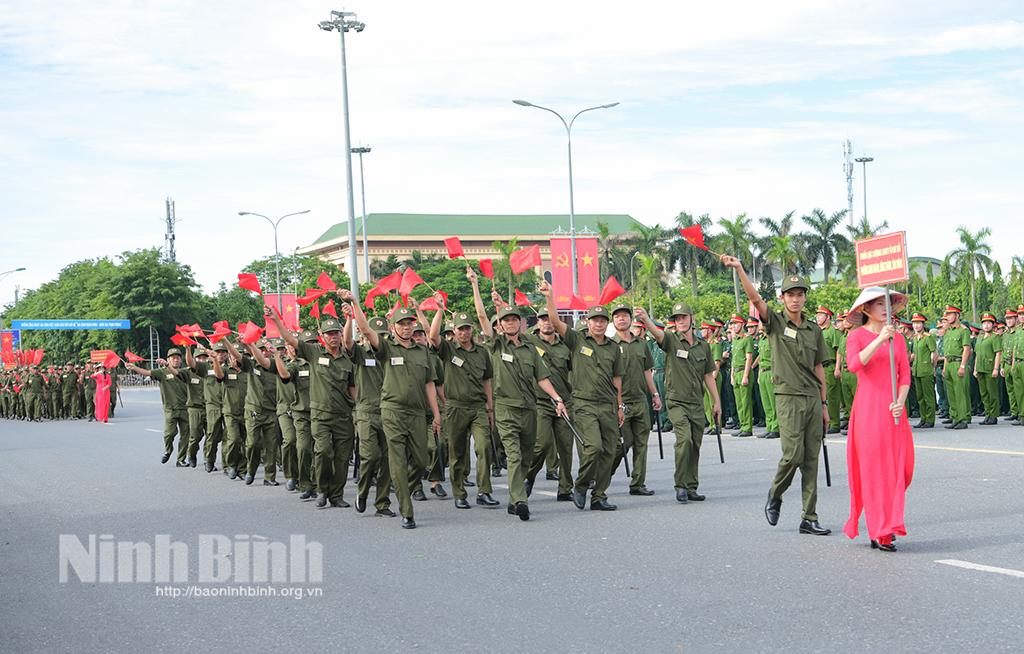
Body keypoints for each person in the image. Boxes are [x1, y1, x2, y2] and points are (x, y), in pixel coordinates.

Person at [722, 257, 833, 536]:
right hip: (787, 397)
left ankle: (809, 516)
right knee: (792, 455)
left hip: (811, 398)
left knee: (811, 459)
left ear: (805, 297)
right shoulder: (775, 323)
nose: (796, 299)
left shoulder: (814, 329)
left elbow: (819, 366)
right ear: (782, 298)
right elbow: (755, 298)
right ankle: (775, 493)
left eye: (800, 294)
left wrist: (824, 404)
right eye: (790, 295)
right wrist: (739, 269)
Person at [472, 270, 566, 520]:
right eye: (506, 320)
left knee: (528, 455)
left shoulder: (530, 348)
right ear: (500, 325)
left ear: (520, 323)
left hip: (529, 408)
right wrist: (475, 286)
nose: (511, 323)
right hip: (505, 409)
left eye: (515, 319)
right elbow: (481, 316)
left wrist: (557, 397)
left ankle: (515, 498)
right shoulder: (496, 344)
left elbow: (542, 378)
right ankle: (520, 500)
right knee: (514, 455)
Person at [342, 292, 440, 530]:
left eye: (409, 324)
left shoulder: (422, 351)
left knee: (421, 460)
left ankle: (403, 487)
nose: (406, 328)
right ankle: (407, 511)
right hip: (392, 410)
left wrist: (436, 413)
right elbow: (365, 331)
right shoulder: (386, 349)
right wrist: (355, 304)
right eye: (401, 324)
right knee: (390, 459)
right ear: (393, 327)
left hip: (417, 413)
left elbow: (429, 383)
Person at [538, 280, 623, 512]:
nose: (598, 324)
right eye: (594, 320)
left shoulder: (614, 348)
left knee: (610, 450)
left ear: (607, 324)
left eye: (602, 320)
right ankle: (581, 484)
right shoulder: (577, 340)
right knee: (593, 447)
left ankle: (599, 496)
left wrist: (620, 406)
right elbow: (555, 322)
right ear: (588, 322)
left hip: (607, 405)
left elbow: (617, 379)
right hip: (584, 404)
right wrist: (550, 296)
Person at [842, 287, 914, 552]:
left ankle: (887, 522)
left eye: (888, 303)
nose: (885, 308)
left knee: (900, 470)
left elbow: (904, 375)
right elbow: (854, 365)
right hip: (868, 410)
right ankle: (879, 529)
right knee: (873, 471)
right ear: (865, 309)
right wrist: (880, 339)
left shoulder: (900, 339)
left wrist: (901, 401)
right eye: (878, 303)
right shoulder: (857, 336)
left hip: (894, 410)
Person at [271, 309, 357, 509]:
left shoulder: (347, 360)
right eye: (329, 334)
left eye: (336, 333)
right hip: (320, 416)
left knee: (343, 457)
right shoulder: (314, 352)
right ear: (323, 337)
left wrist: (357, 407)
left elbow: (352, 387)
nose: (334, 337)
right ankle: (322, 489)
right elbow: (290, 340)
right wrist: (276, 321)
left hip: (344, 415)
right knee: (323, 452)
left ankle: (337, 494)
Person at [635, 304, 720, 503]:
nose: (681, 321)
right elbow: (658, 334)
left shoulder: (703, 345)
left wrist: (716, 401)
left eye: (684, 317)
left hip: (697, 402)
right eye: (677, 318)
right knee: (684, 440)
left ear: (692, 318)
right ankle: (680, 485)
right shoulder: (672, 340)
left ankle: (691, 486)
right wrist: (646, 319)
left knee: (695, 445)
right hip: (676, 401)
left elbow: (708, 375)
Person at [426, 301, 498, 509]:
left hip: (478, 407)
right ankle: (459, 492)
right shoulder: (449, 350)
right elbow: (432, 336)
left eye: (467, 328)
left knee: (484, 446)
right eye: (460, 329)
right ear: (454, 331)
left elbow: (487, 381)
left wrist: (490, 408)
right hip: (456, 406)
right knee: (457, 452)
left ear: (472, 329)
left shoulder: (482, 352)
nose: (464, 332)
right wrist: (439, 310)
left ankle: (484, 491)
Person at [609, 303, 661, 496]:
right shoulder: (610, 345)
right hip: (621, 402)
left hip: (640, 400)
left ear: (631, 320)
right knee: (623, 444)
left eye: (625, 316)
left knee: (641, 444)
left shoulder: (641, 344)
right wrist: (617, 403)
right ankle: (602, 475)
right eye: (617, 316)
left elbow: (647, 370)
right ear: (613, 322)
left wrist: (655, 394)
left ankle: (638, 483)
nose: (621, 319)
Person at [126, 348, 190, 466]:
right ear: (168, 360)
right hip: (170, 409)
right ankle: (168, 450)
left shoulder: (185, 372)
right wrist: (134, 368)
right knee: (169, 434)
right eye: (173, 358)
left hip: (185, 409)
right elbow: (147, 372)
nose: (175, 360)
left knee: (186, 435)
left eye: (178, 358)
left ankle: (181, 459)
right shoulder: (162, 372)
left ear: (181, 360)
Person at [940, 306, 972, 430]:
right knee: (951, 393)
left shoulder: (963, 331)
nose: (947, 316)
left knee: (960, 393)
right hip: (949, 364)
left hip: (958, 363)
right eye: (946, 314)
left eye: (950, 314)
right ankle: (955, 418)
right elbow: (947, 353)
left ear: (957, 315)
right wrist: (944, 368)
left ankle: (963, 419)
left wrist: (963, 366)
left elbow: (966, 349)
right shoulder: (948, 332)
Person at [910, 314, 937, 429]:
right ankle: (923, 418)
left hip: (926, 370)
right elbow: (914, 354)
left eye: (918, 323)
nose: (916, 325)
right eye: (914, 323)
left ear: (923, 324)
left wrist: (933, 368)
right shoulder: (915, 338)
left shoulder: (928, 337)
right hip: (917, 370)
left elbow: (934, 353)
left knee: (928, 396)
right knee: (920, 397)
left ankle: (930, 419)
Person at [974, 314, 1002, 425]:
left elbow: (998, 353)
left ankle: (993, 416)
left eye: (989, 323)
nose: (986, 325)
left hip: (990, 368)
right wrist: (975, 368)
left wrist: (996, 368)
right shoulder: (980, 338)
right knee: (984, 393)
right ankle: (987, 414)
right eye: (984, 323)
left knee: (992, 393)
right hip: (980, 368)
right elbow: (977, 354)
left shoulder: (995, 337)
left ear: (993, 324)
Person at [728, 315, 754, 437]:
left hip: (744, 371)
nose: (734, 326)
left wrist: (745, 376)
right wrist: (732, 375)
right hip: (736, 372)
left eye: (736, 324)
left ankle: (747, 427)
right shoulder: (735, 340)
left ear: (742, 324)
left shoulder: (746, 339)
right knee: (739, 402)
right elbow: (733, 359)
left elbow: (749, 358)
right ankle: (742, 424)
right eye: (732, 324)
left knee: (745, 401)